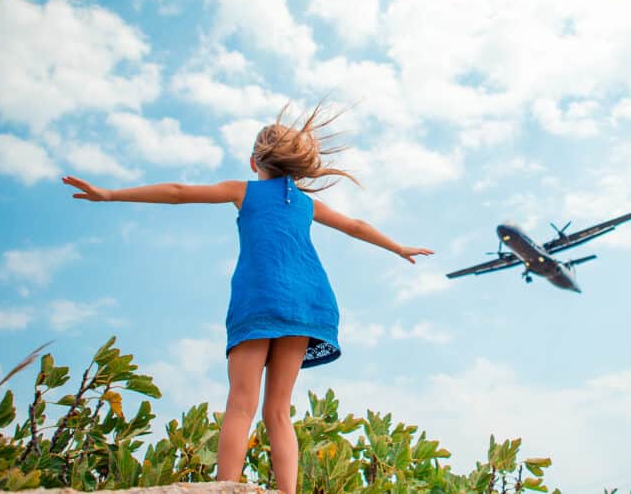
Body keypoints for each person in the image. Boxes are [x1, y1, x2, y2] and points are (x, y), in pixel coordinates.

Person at [62, 101, 434, 494]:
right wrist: (398, 248)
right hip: (307, 302)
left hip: (259, 298)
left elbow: (177, 192)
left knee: (241, 403)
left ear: (254, 160)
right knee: (279, 409)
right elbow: (355, 226)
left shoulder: (245, 191)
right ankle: (288, 491)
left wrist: (109, 193)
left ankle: (227, 486)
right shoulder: (305, 202)